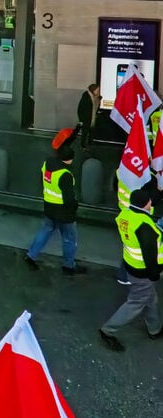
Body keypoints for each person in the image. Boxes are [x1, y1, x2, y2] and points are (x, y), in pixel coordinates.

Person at [99, 190, 161, 351]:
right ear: (146, 204)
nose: (151, 203)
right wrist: (155, 273)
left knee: (150, 298)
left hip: (130, 264)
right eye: (149, 201)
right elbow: (149, 254)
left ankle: (155, 328)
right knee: (136, 302)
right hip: (143, 271)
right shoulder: (144, 226)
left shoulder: (125, 214)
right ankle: (108, 330)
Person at [25, 145, 86, 275]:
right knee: (69, 238)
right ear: (69, 159)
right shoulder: (65, 175)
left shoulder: (47, 164)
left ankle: (31, 255)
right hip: (64, 212)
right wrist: (75, 207)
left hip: (49, 206)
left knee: (46, 230)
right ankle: (69, 266)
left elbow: (42, 181)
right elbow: (69, 198)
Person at [77, 83, 100, 149]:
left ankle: (90, 143)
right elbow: (80, 109)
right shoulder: (86, 97)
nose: (98, 91)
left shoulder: (95, 97)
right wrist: (81, 120)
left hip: (91, 118)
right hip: (86, 118)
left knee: (91, 131)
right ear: (93, 90)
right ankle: (83, 145)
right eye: (97, 90)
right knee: (85, 132)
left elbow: (95, 107)